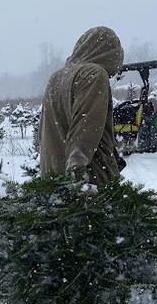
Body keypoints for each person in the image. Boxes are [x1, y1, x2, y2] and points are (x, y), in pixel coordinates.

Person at [39, 26, 126, 186]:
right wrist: (76, 172)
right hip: (89, 182)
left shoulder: (57, 77)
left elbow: (45, 130)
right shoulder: (94, 74)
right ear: (107, 53)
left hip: (53, 179)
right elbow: (86, 126)